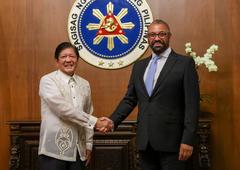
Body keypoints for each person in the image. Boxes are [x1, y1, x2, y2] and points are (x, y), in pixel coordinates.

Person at [107, 19, 200, 170]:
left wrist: (188, 140)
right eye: (152, 35)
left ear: (169, 36)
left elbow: (192, 105)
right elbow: (130, 99)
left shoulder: (185, 64)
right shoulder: (139, 66)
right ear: (148, 38)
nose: (157, 38)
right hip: (145, 143)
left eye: (161, 34)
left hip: (174, 144)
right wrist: (112, 121)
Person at [38, 42, 112, 170]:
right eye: (63, 57)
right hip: (54, 150)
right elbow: (63, 109)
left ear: (77, 60)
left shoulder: (85, 84)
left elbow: (88, 111)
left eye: (72, 56)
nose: (68, 60)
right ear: (57, 61)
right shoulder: (48, 81)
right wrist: (96, 122)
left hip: (79, 151)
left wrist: (88, 145)